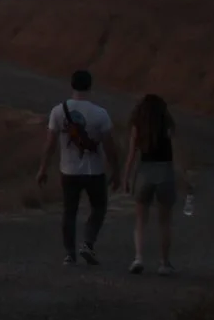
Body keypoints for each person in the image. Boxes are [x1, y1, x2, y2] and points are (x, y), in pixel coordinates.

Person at [35, 69, 119, 266]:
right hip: (94, 171)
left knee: (69, 211)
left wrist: (43, 168)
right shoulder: (100, 113)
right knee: (99, 207)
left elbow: (50, 144)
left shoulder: (58, 111)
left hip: (69, 170)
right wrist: (116, 170)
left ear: (72, 85)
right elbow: (109, 146)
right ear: (90, 86)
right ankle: (87, 243)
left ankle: (69, 254)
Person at [124, 94, 178, 274]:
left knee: (140, 221)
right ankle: (164, 263)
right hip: (165, 172)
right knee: (165, 222)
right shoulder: (168, 125)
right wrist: (184, 178)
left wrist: (127, 177)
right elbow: (177, 153)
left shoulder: (138, 126)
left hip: (144, 173)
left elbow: (132, 155)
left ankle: (138, 258)